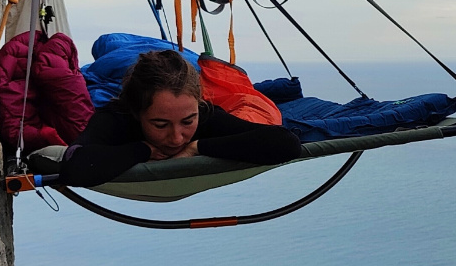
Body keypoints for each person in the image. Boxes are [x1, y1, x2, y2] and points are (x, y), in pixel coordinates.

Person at [56, 49, 302, 186]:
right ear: (137, 113)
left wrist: (198, 147)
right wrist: (143, 149)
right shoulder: (117, 118)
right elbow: (75, 168)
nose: (176, 138)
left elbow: (285, 143)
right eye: (160, 124)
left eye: (187, 121)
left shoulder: (205, 118)